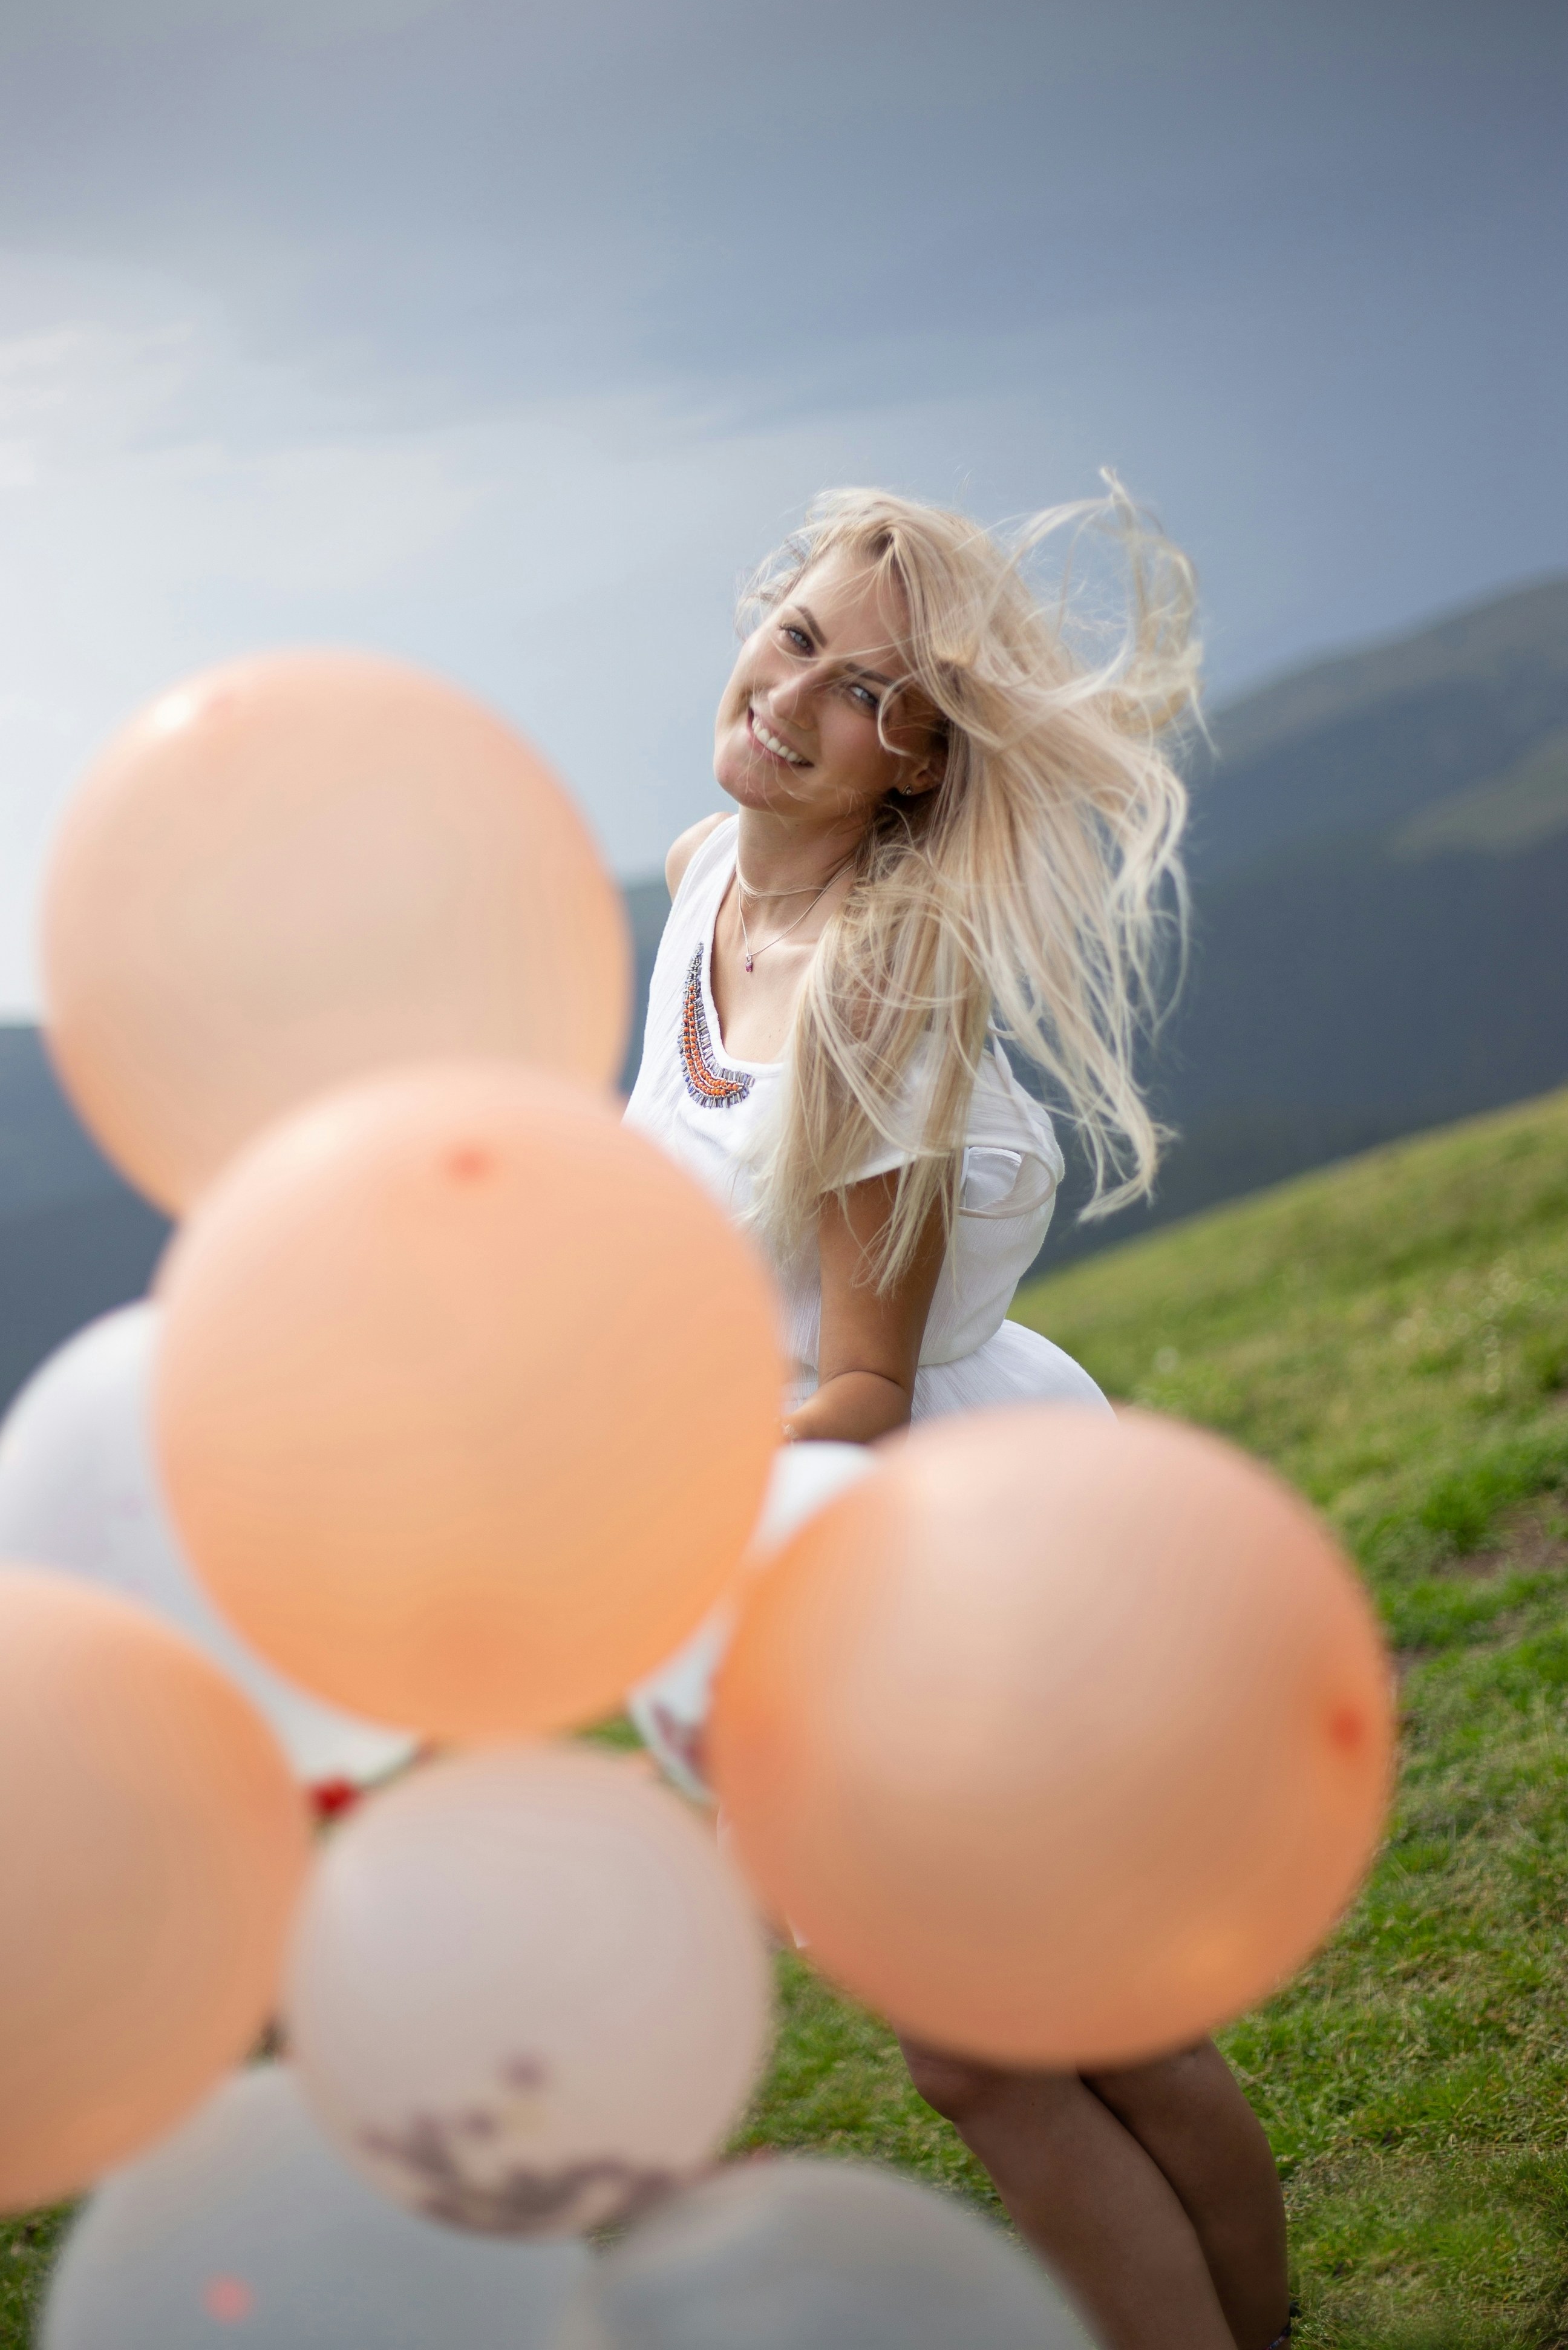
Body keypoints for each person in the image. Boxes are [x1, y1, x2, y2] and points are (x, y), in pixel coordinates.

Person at [622, 483, 1290, 2350]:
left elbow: (864, 1386)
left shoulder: (878, 987)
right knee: (1044, 2045)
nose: (793, 694)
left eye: (861, 697)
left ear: (913, 770)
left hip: (923, 1551)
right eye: (799, 639)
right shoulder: (701, 879)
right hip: (787, 1552)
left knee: (1033, 2053)